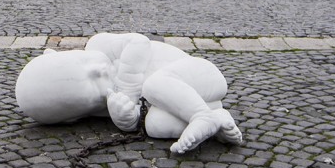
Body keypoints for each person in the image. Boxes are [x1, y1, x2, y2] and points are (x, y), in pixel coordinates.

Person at [15, 33, 244, 154]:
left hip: (202, 77)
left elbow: (139, 42)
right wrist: (126, 120)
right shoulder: (102, 106)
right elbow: (137, 117)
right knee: (155, 125)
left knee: (154, 85)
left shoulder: (100, 45)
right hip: (192, 100)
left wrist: (127, 89)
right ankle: (216, 121)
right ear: (75, 116)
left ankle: (201, 116)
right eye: (93, 83)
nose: (97, 70)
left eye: (82, 61)